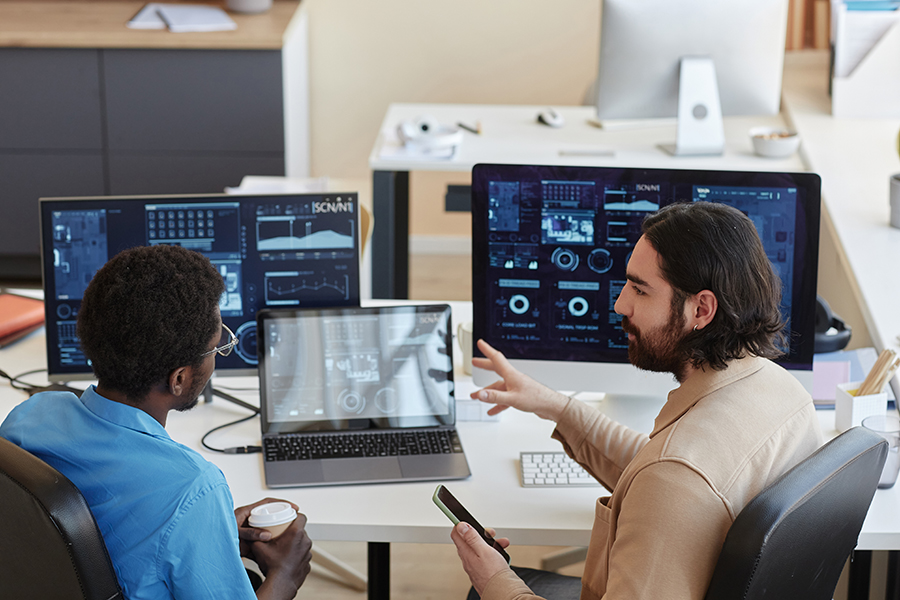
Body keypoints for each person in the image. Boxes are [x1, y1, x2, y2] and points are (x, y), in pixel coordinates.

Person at [450, 202, 824, 600]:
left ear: (701, 309)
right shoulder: (784, 391)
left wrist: (493, 580)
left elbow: (671, 481)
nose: (620, 305)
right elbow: (657, 473)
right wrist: (553, 405)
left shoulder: (675, 478)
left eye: (640, 289)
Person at [0, 245, 312, 600]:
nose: (218, 353)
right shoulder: (192, 488)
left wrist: (211, 529)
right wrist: (286, 576)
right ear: (178, 379)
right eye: (216, 346)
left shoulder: (31, 416)